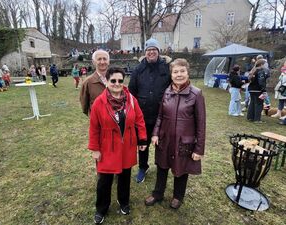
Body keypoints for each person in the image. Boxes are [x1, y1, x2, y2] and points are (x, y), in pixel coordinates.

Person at [144, 58, 206, 209]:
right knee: (162, 166)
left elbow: (201, 124)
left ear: (188, 72)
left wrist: (199, 149)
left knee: (181, 169)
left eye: (182, 71)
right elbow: (160, 116)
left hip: (184, 141)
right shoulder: (167, 92)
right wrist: (155, 133)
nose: (179, 75)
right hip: (165, 139)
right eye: (175, 72)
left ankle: (178, 196)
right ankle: (158, 194)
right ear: (171, 74)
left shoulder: (196, 94)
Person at [88, 67, 147, 224]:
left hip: (127, 146)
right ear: (106, 81)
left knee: (125, 177)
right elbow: (94, 128)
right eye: (113, 80)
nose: (117, 83)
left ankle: (124, 202)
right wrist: (94, 149)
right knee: (104, 181)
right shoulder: (99, 103)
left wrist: (142, 140)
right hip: (107, 147)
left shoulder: (131, 100)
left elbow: (140, 120)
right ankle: (101, 208)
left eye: (120, 80)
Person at [129, 38, 171, 183]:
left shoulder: (167, 68)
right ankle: (143, 167)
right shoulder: (138, 69)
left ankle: (161, 166)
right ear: (145, 52)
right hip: (143, 116)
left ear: (158, 51)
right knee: (143, 143)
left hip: (163, 115)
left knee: (162, 143)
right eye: (148, 50)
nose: (151, 52)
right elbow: (131, 92)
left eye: (154, 49)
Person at [80, 49, 110, 116]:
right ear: (93, 62)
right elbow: (84, 105)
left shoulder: (116, 80)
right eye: (99, 59)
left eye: (105, 59)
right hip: (97, 122)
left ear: (108, 62)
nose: (102, 62)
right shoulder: (88, 82)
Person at [247, 59, 269, 123]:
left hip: (251, 89)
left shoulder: (253, 70)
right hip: (258, 90)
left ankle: (250, 117)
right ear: (261, 64)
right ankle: (257, 119)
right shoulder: (261, 71)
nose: (266, 65)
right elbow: (261, 82)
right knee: (259, 104)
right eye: (265, 64)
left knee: (252, 103)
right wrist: (263, 90)